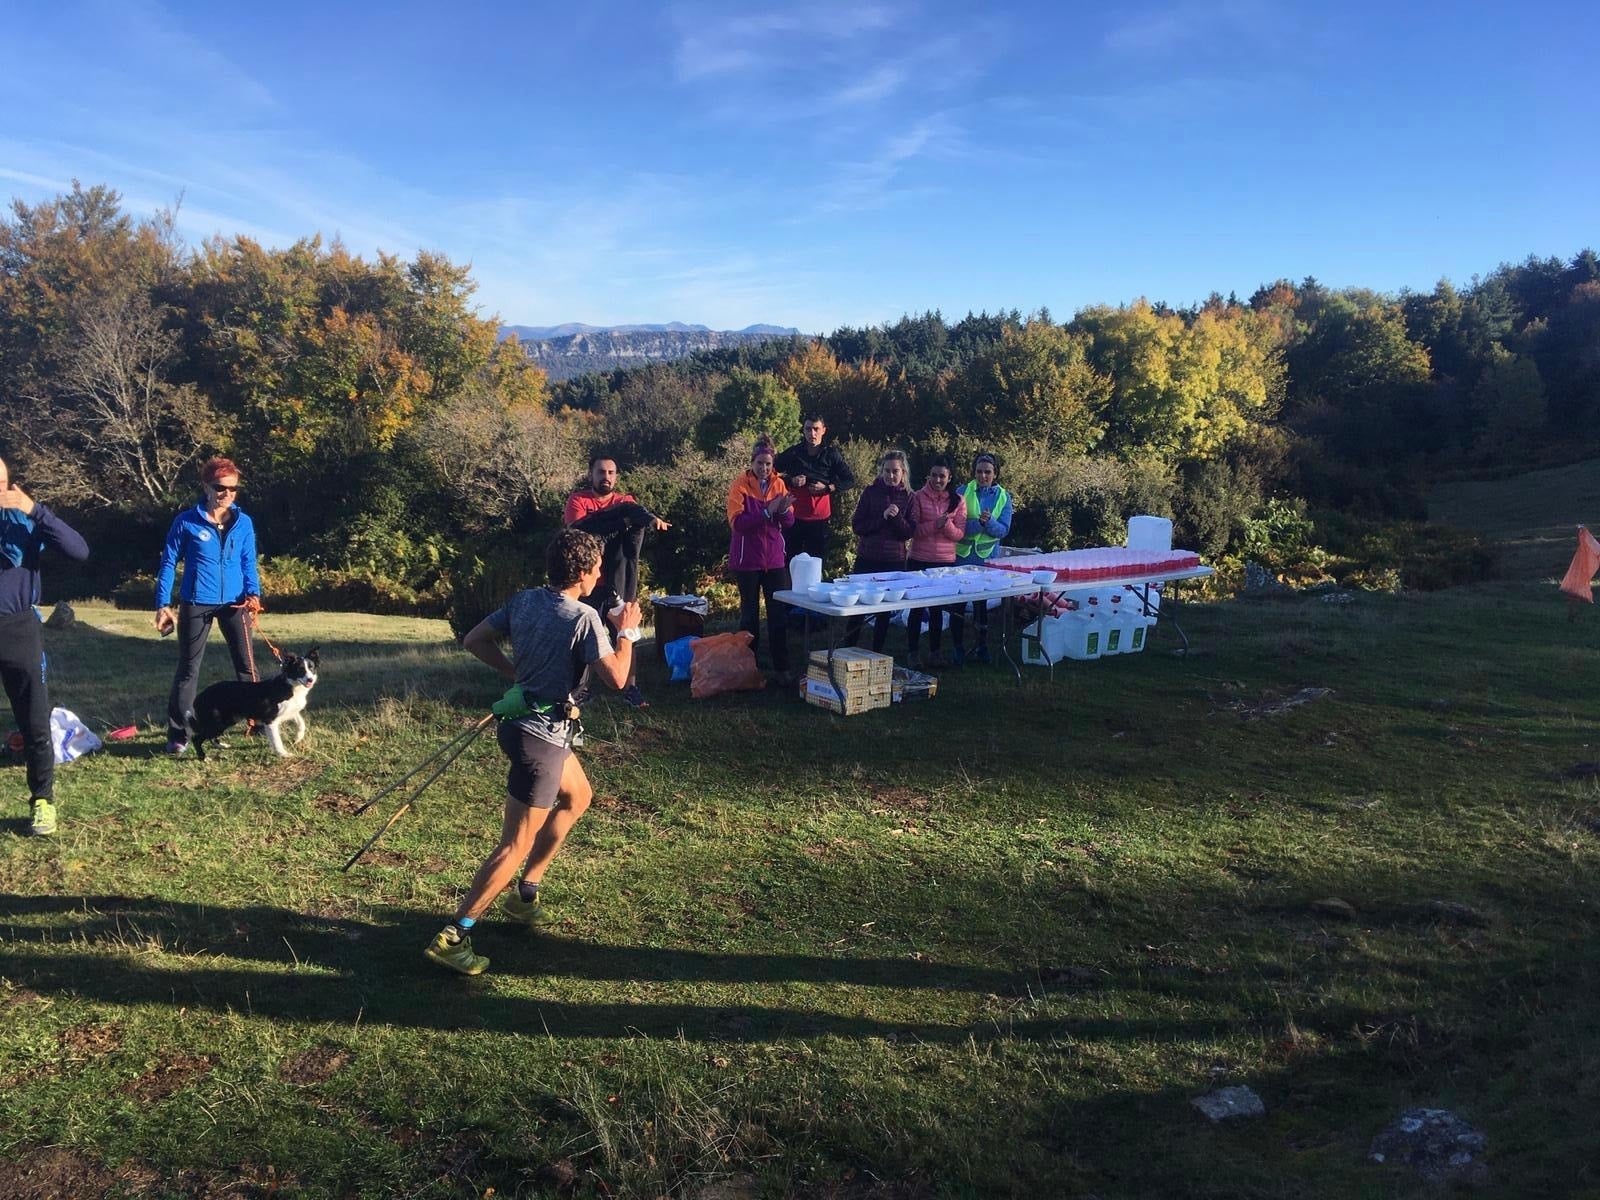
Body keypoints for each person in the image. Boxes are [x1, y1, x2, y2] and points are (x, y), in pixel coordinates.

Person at [424, 527, 643, 976]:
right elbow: (619, 679)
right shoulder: (583, 618)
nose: (602, 573)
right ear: (582, 573)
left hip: (529, 727)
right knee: (513, 843)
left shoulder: (525, 600)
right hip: (539, 739)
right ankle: (455, 935)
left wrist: (516, 676)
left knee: (578, 797)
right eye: (597, 567)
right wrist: (630, 633)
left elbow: (474, 639)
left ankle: (526, 896)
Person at [0, 454, 89, 837]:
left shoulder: (23, 519)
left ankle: (42, 801)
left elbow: (79, 550)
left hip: (18, 629)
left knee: (35, 722)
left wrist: (35, 509)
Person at [155, 457, 261, 755]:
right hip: (196, 603)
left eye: (233, 489)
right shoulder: (186, 521)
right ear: (206, 486)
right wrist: (163, 604)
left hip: (235, 603)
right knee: (188, 669)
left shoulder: (244, 522)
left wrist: (254, 593)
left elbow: (248, 561)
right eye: (220, 487)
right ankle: (179, 734)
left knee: (246, 666)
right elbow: (167, 564)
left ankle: (258, 723)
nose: (227, 494)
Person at [563, 455, 669, 708]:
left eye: (611, 472)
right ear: (591, 474)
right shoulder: (578, 500)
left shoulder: (625, 501)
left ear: (616, 476)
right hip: (587, 582)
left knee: (626, 633)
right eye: (601, 472)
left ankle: (631, 687)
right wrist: (622, 522)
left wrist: (649, 519)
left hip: (622, 580)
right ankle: (581, 688)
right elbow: (580, 532)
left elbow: (638, 516)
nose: (606, 477)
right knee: (584, 635)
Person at [726, 436, 795, 685]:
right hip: (747, 561)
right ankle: (749, 669)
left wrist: (784, 511)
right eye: (759, 463)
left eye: (768, 463)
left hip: (775, 560)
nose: (764, 468)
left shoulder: (779, 485)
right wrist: (767, 512)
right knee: (749, 617)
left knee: (778, 616)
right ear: (752, 462)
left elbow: (788, 523)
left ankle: (782, 668)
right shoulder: (740, 486)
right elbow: (738, 524)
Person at [846, 450, 914, 653]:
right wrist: (883, 517)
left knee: (884, 610)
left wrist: (896, 518)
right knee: (857, 606)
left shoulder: (910, 497)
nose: (891, 476)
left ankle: (877, 653)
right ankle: (847, 649)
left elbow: (908, 532)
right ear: (881, 471)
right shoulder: (870, 492)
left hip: (893, 562)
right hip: (867, 558)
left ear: (903, 472)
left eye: (895, 471)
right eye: (887, 470)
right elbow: (858, 526)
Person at [950, 452, 1013, 664]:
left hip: (987, 558)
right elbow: (958, 526)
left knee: (981, 604)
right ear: (974, 472)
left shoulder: (1004, 496)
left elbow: (1003, 530)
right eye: (979, 471)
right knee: (957, 603)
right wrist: (979, 523)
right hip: (962, 555)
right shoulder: (962, 492)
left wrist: (990, 523)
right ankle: (957, 647)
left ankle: (982, 646)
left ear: (995, 474)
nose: (983, 475)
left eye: (987, 472)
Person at [905, 457, 966, 669]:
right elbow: (914, 531)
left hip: (944, 562)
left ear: (949, 478)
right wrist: (935, 525)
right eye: (934, 475)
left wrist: (946, 525)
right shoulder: (917, 497)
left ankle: (935, 652)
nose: (938, 479)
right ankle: (913, 652)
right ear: (928, 476)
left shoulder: (958, 500)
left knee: (938, 610)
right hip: (919, 559)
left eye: (942, 476)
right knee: (916, 609)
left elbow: (959, 534)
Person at [774, 414, 856, 564]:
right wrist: (790, 480)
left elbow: (849, 480)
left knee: (816, 565)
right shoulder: (793, 453)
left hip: (819, 521)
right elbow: (771, 473)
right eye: (808, 429)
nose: (812, 433)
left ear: (823, 430)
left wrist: (828, 488)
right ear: (803, 430)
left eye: (816, 429)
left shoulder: (831, 455)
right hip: (794, 518)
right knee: (790, 563)